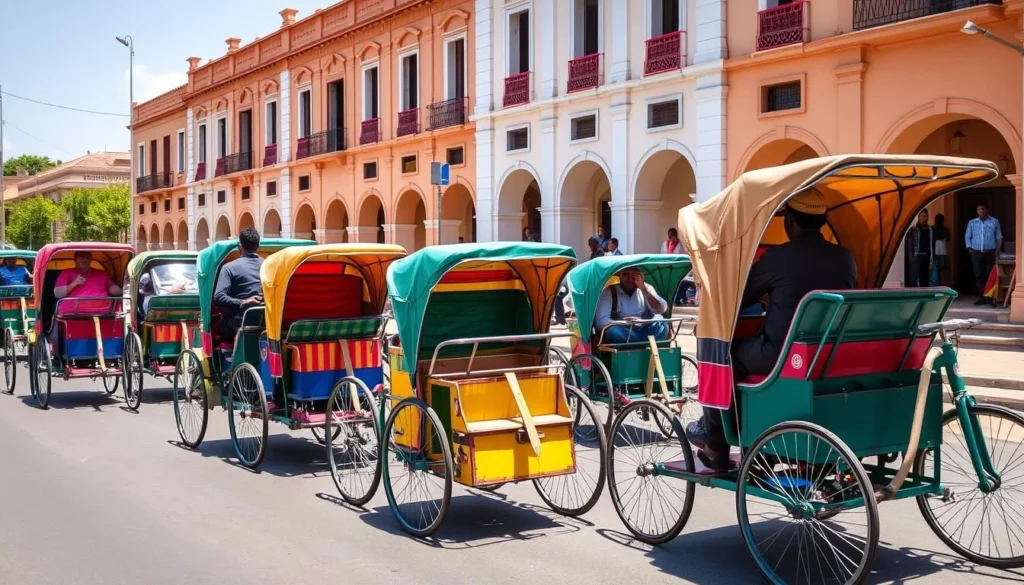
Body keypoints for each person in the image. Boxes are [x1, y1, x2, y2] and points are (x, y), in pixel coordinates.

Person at [685, 189, 857, 470]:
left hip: (780, 353)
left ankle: (715, 440)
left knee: (718, 349)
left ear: (790, 221)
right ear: (823, 222)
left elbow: (741, 297)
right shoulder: (845, 257)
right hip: (829, 351)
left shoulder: (780, 257)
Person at [52, 251, 123, 344]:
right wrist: (74, 283)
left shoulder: (102, 273)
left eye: (88, 257)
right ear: (75, 259)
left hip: (103, 310)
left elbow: (111, 287)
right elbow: (58, 294)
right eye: (82, 257)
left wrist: (121, 290)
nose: (86, 259)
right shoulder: (67, 272)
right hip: (75, 311)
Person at [214, 227, 265, 343]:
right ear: (258, 246)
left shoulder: (228, 268)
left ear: (240, 247)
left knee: (220, 327)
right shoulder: (268, 265)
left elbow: (219, 297)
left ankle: (228, 357)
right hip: (268, 320)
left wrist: (242, 302)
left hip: (241, 320)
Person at [594, 267, 669, 344]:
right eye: (626, 274)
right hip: (623, 332)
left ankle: (639, 343)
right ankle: (641, 343)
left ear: (641, 276)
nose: (630, 279)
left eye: (634, 275)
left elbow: (662, 309)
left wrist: (644, 290)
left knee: (662, 326)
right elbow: (601, 321)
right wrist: (625, 323)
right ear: (620, 276)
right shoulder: (609, 292)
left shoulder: (646, 288)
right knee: (613, 331)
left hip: (645, 330)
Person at [965, 203, 1003, 306]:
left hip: (990, 253)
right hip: (976, 253)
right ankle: (980, 297)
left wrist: (997, 250)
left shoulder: (994, 221)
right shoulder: (972, 223)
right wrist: (969, 248)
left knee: (989, 275)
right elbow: (967, 236)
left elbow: (999, 237)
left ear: (987, 209)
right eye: (978, 209)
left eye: (983, 209)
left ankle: (989, 299)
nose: (981, 211)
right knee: (978, 275)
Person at [904, 209, 934, 288]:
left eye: (927, 216)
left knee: (925, 279)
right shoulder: (913, 229)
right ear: (919, 217)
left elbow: (931, 243)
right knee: (914, 278)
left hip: (927, 256)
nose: (926, 218)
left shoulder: (930, 229)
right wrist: (911, 258)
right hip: (916, 257)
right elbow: (910, 245)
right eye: (923, 216)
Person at [933, 213, 950, 286]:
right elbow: (948, 239)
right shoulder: (945, 229)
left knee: (935, 267)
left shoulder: (932, 228)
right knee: (941, 269)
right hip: (943, 249)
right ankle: (941, 283)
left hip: (935, 249)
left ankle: (936, 283)